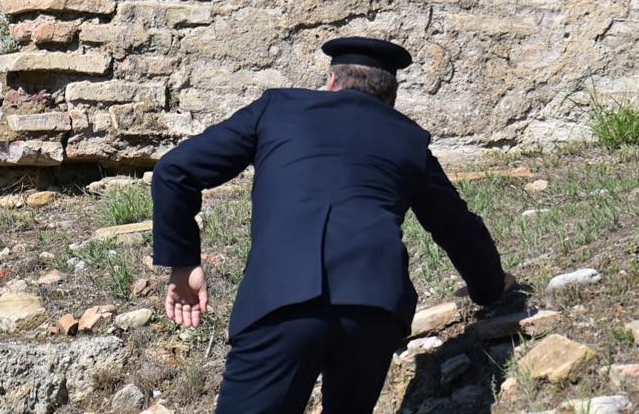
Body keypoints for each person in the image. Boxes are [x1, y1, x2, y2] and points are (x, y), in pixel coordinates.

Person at [152, 37, 508, 414]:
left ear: (331, 83)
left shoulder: (277, 110)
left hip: (281, 303)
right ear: (392, 98)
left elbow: (175, 171)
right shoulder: (407, 138)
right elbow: (456, 226)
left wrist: (184, 263)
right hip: (373, 309)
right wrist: (489, 291)